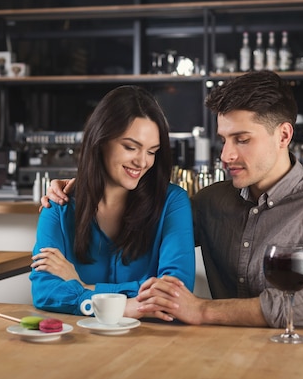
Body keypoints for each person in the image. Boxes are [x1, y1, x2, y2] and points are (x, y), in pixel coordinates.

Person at [43, 71, 303, 328]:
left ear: (283, 136)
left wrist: (204, 311)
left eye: (242, 139)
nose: (226, 155)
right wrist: (91, 185)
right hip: (214, 355)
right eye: (223, 139)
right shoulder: (208, 202)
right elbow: (146, 252)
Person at [30, 85, 195, 321]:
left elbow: (175, 292)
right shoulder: (58, 206)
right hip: (80, 345)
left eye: (152, 151)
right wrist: (127, 307)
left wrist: (84, 288)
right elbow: (44, 292)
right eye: (130, 147)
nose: (142, 162)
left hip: (155, 346)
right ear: (101, 140)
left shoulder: (172, 202)